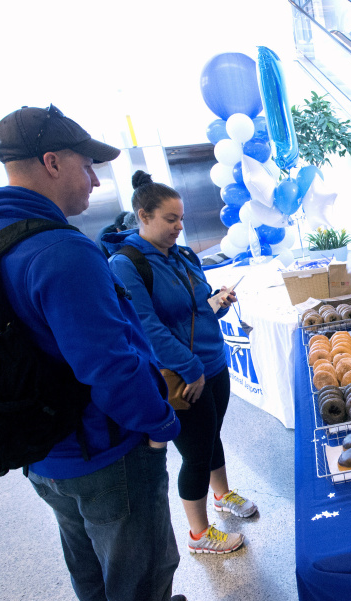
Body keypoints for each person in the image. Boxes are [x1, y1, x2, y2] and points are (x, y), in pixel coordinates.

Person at [0, 105, 260, 601]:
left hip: (41, 445)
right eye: (87, 166)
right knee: (141, 572)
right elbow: (109, 365)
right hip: (102, 445)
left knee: (87, 556)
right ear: (52, 163)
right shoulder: (59, 251)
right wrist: (159, 424)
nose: (97, 182)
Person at [104, 170, 257, 555]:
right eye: (170, 219)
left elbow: (195, 310)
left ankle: (221, 495)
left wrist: (218, 303)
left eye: (181, 218)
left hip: (213, 365)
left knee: (210, 435)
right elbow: (147, 328)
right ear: (143, 216)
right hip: (184, 375)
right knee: (195, 451)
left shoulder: (183, 256)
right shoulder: (127, 264)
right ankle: (199, 533)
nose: (178, 226)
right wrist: (191, 369)